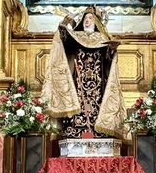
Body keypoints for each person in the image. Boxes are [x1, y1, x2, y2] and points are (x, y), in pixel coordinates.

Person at [42, 7, 127, 139]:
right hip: (78, 80)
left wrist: (112, 50)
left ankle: (98, 132)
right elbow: (64, 42)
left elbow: (108, 61)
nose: (87, 21)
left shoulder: (103, 38)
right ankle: (76, 131)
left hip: (98, 82)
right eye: (85, 18)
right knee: (78, 103)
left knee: (98, 103)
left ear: (96, 22)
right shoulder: (77, 37)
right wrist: (63, 25)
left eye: (90, 18)